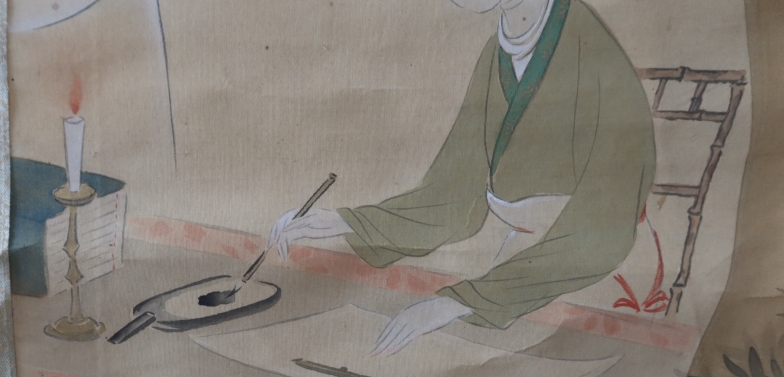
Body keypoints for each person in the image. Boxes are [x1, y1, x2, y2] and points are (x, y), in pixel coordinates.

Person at [269, 0, 656, 356]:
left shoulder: (593, 50)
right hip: (519, 261)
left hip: (585, 272)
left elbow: (604, 227)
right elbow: (454, 194)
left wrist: (459, 302)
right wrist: (347, 223)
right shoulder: (499, 50)